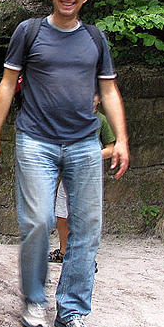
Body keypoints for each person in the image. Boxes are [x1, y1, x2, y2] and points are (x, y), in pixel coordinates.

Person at [0, 0, 129, 327]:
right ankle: (34, 300)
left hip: (84, 143)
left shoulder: (95, 39)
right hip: (35, 140)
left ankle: (73, 312)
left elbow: (109, 91)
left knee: (86, 229)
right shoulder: (30, 32)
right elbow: (7, 84)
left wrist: (122, 139)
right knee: (38, 220)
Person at [51, 98, 116, 263]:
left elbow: (111, 149)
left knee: (85, 215)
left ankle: (86, 258)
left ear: (99, 100)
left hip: (88, 174)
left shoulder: (101, 120)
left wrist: (92, 155)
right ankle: (64, 252)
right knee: (61, 212)